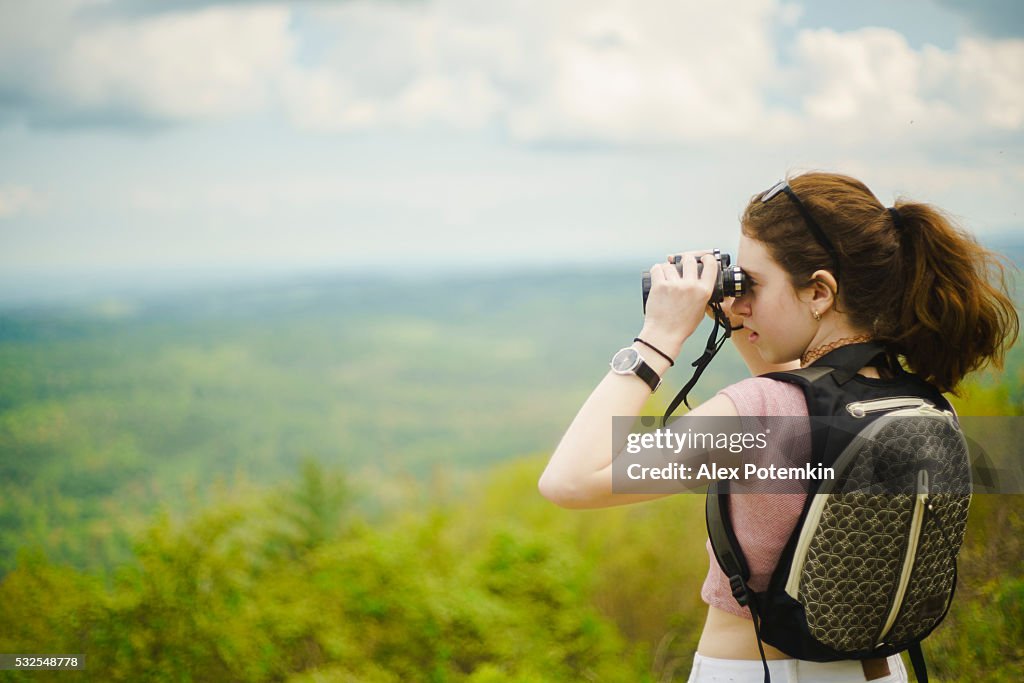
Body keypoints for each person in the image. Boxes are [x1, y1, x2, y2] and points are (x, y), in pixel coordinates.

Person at [538, 172, 1019, 682]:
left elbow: (569, 482)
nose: (739, 301)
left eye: (753, 284)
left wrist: (657, 338)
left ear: (819, 292)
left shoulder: (763, 411)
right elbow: (802, 414)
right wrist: (745, 322)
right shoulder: (915, 397)